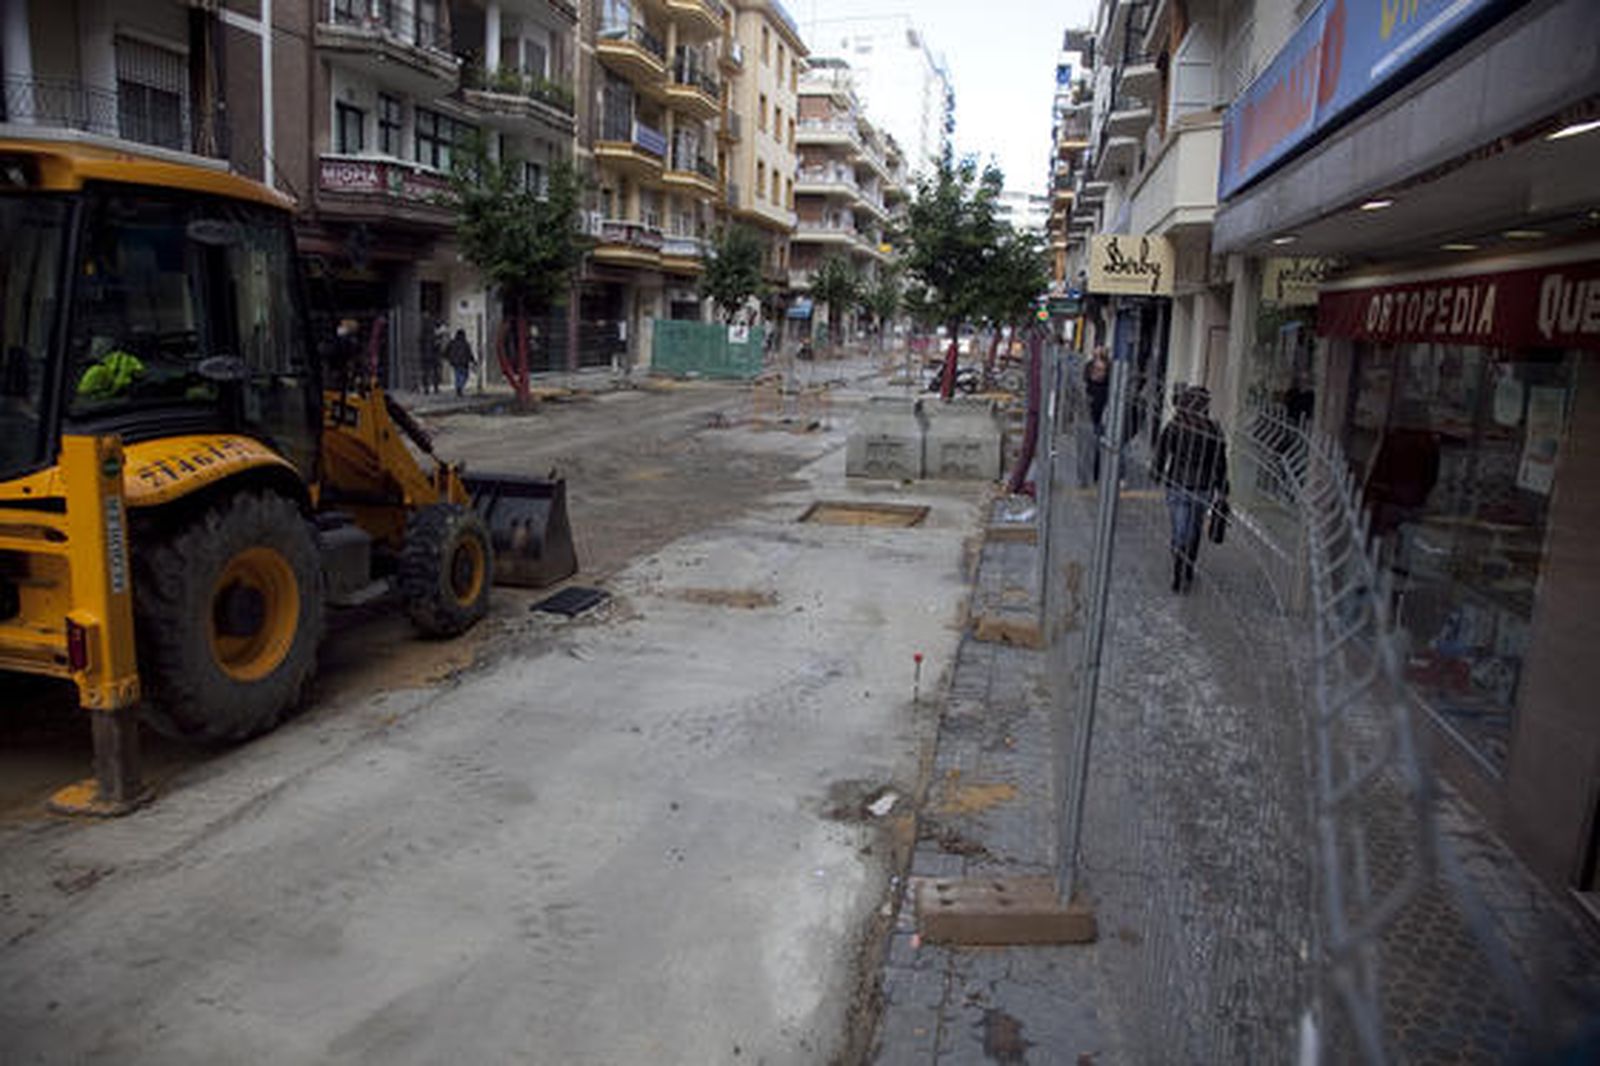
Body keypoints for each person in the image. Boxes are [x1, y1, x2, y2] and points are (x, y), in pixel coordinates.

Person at [1153, 385, 1229, 594]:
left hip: (1177, 484)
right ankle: (1187, 568)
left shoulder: (1175, 426)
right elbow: (1220, 462)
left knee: (1180, 529)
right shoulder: (1213, 430)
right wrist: (1223, 488)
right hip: (1203, 488)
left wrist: (1157, 472)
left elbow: (1162, 451)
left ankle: (1179, 568)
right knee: (1194, 530)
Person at [445, 328, 475, 397]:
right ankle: (460, 387)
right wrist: (473, 361)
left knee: (457, 375)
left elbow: (447, 351)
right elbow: (469, 353)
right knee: (465, 376)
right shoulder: (465, 343)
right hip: (464, 363)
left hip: (455, 362)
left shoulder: (452, 342)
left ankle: (458, 387)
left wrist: (447, 358)